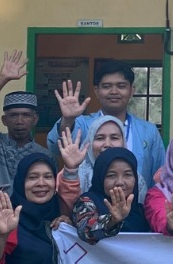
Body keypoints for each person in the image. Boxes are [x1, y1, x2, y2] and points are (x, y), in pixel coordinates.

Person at [52, 62, 166, 200]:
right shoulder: (82, 123)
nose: (114, 92)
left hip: (137, 210)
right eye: (107, 86)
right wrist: (68, 120)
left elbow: (159, 177)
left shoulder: (148, 131)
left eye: (121, 86)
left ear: (132, 90)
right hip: (88, 209)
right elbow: (55, 148)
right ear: (96, 91)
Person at [0, 50, 50, 193]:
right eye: (13, 115)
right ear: (4, 120)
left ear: (35, 119)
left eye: (26, 115)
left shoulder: (43, 155)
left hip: (27, 215)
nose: (19, 121)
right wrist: (2, 79)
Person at [73, 148, 152, 243]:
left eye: (127, 175)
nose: (120, 182)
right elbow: (85, 231)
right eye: (111, 175)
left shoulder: (141, 211)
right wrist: (111, 221)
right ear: (100, 177)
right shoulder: (87, 201)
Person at [59, 114, 127, 194]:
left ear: (123, 143)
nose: (107, 144)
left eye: (114, 138)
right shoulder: (75, 174)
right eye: (100, 138)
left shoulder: (133, 175)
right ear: (90, 143)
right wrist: (71, 171)